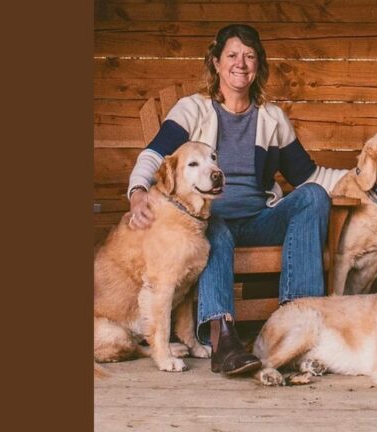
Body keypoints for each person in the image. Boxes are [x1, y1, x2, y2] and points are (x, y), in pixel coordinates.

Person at [126, 24, 346, 375]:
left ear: (259, 65)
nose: (240, 64)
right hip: (210, 222)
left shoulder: (272, 118)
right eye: (231, 55)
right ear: (215, 62)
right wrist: (137, 191)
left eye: (249, 56)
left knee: (314, 197)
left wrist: (368, 179)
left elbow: (309, 177)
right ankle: (222, 338)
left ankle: (298, 321)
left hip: (260, 219)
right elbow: (155, 156)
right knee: (212, 227)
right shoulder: (192, 110)